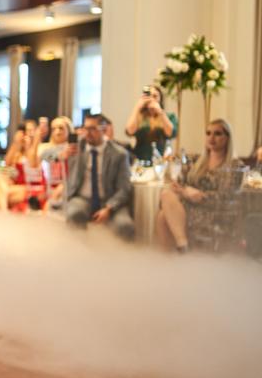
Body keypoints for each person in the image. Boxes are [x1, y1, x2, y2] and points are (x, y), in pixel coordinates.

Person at [155, 119, 246, 253]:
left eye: (217, 134)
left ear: (227, 138)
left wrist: (200, 196)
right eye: (208, 133)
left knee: (164, 215)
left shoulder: (235, 166)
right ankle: (180, 247)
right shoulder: (196, 161)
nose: (211, 138)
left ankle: (179, 250)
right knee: (166, 196)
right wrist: (185, 192)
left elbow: (227, 197)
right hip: (189, 206)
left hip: (213, 211)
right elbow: (179, 184)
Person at [65, 114, 135, 240]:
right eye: (86, 128)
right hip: (82, 198)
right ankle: (77, 250)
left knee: (125, 226)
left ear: (103, 129)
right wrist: (61, 154)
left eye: (92, 129)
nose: (87, 133)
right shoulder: (76, 147)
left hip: (110, 199)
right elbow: (47, 154)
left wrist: (109, 208)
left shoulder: (119, 154)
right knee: (74, 214)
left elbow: (124, 188)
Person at [124, 85, 177, 163]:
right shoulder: (139, 116)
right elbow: (129, 131)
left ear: (160, 99)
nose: (152, 99)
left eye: (155, 96)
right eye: (149, 96)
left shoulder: (169, 116)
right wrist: (137, 107)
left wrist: (160, 112)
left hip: (160, 161)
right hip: (140, 160)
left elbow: (171, 133)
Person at [4, 128, 46, 211]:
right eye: (25, 133)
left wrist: (31, 144)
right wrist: (15, 143)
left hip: (31, 187)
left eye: (30, 131)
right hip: (20, 186)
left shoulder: (36, 152)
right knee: (0, 187)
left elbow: (32, 163)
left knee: (5, 194)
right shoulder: (18, 154)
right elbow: (7, 163)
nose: (26, 136)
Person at [39, 116, 73, 209]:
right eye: (54, 129)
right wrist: (61, 155)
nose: (57, 131)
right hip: (48, 186)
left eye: (61, 128)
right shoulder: (46, 148)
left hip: (68, 187)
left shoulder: (74, 148)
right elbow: (43, 156)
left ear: (68, 130)